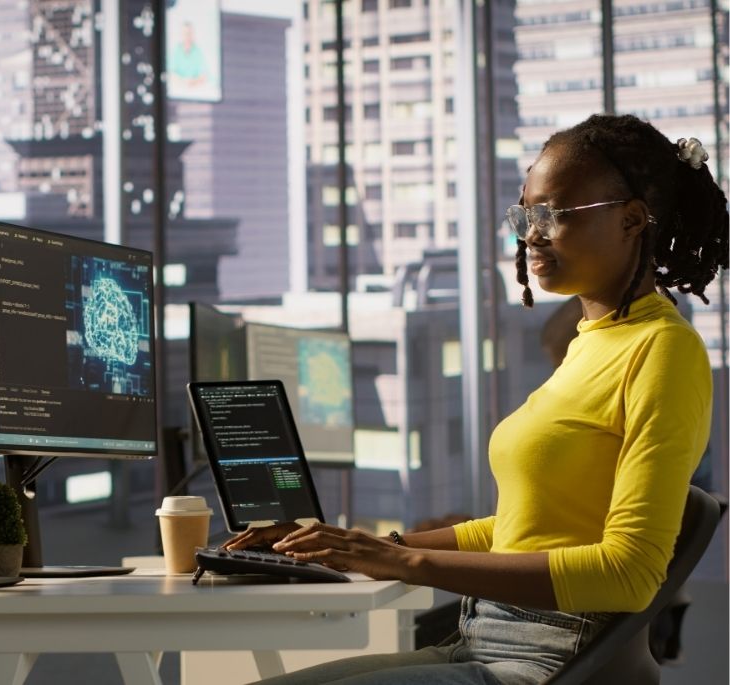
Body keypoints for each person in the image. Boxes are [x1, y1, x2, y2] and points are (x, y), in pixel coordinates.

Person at [227, 113, 728, 685]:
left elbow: (630, 573)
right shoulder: (592, 343)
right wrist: (359, 545)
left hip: (543, 659)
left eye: (552, 215)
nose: (530, 234)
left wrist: (406, 562)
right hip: (478, 640)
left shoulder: (662, 350)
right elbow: (523, 529)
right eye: (525, 215)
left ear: (631, 220)